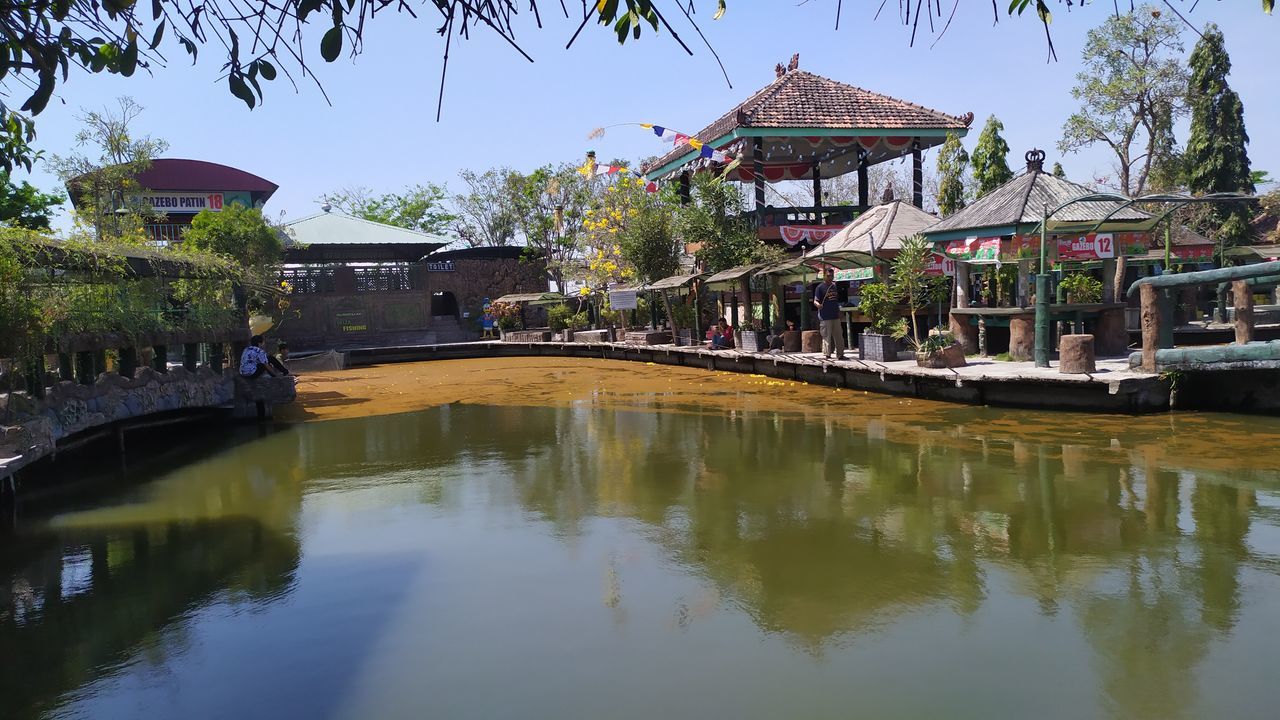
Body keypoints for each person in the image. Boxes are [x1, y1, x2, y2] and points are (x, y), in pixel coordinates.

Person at [813, 268, 846, 360]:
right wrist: (818, 305)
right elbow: (815, 301)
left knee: (839, 336)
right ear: (824, 276)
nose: (830, 277)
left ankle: (840, 354)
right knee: (826, 336)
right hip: (825, 316)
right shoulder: (820, 287)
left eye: (832, 276)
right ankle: (827, 354)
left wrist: (839, 312)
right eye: (828, 276)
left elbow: (836, 301)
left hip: (835, 315)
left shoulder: (834, 286)